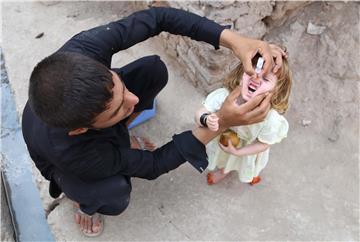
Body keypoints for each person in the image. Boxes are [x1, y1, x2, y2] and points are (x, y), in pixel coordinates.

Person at [22, 7, 286, 236]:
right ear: (81, 129)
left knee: (153, 69)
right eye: (117, 110)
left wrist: (234, 40)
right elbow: (153, 164)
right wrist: (223, 121)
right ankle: (85, 204)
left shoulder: (84, 50)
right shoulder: (80, 156)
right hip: (67, 163)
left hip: (89, 125)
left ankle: (118, 128)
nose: (135, 100)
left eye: (121, 86)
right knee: (114, 193)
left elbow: (159, 18)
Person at [195, 52, 292, 185]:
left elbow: (263, 144)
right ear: (241, 74)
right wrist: (205, 118)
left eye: (266, 79)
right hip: (225, 140)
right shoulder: (224, 97)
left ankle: (251, 175)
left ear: (276, 90)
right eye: (251, 72)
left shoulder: (271, 119)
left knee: (247, 165)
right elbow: (201, 111)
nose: (256, 79)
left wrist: (238, 151)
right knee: (224, 159)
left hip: (248, 148)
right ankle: (224, 171)